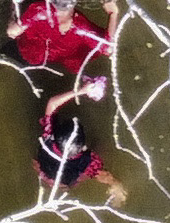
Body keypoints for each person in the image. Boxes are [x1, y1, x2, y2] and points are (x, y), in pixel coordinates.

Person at [9, 0, 118, 82]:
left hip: (31, 57)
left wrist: (14, 5)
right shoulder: (81, 28)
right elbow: (108, 49)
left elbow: (12, 32)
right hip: (64, 61)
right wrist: (113, 13)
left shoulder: (39, 12)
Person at [36, 75, 128, 206]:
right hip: (66, 182)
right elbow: (103, 176)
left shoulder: (48, 137)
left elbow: (52, 103)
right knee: (103, 147)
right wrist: (116, 185)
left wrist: (80, 91)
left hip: (43, 170)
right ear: (82, 147)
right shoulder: (87, 161)